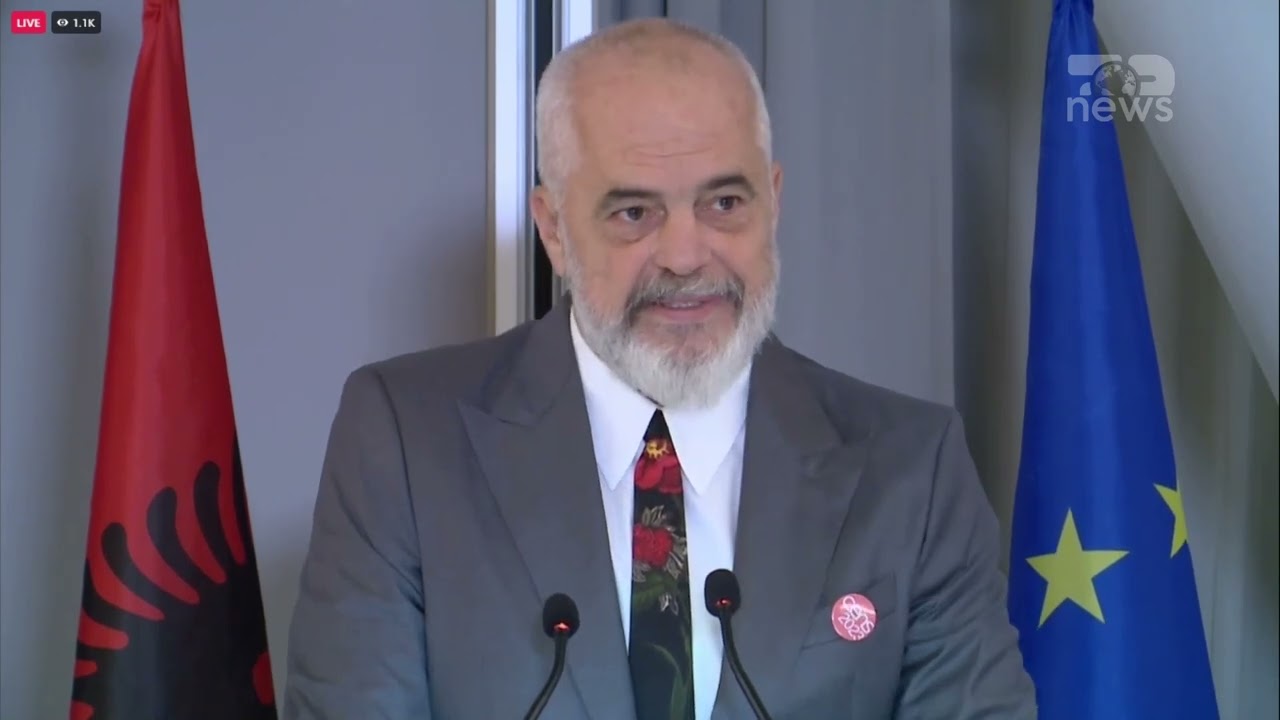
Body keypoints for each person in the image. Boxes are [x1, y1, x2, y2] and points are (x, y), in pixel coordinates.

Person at [282, 17, 1037, 720]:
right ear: (554, 229)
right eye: (634, 214)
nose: (684, 255)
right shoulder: (407, 445)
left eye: (724, 203)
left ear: (773, 204)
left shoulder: (910, 469)